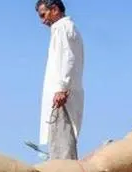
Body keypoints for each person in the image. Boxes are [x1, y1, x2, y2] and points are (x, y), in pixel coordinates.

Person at [36, 0, 84, 160]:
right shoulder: (68, 27)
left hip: (62, 97)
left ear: (55, 9)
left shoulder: (61, 27)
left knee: (62, 146)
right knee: (60, 142)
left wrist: (61, 88)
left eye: (44, 15)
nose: (43, 21)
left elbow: (67, 58)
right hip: (65, 94)